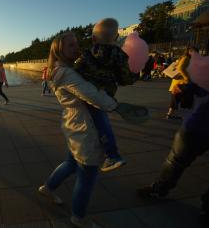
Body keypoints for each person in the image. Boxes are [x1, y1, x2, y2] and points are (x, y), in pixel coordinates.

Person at [37, 32, 120, 227]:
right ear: (60, 51)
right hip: (84, 127)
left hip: (74, 123)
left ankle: (48, 188)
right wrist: (117, 105)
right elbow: (92, 95)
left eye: (76, 44)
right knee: (87, 174)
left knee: (72, 162)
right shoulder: (67, 73)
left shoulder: (63, 70)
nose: (77, 48)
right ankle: (78, 218)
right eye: (71, 46)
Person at [137, 85, 209, 225]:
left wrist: (182, 89)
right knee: (175, 161)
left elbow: (190, 89)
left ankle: (160, 188)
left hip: (197, 126)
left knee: (175, 162)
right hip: (197, 126)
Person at [75, 18, 135, 172]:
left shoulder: (86, 54)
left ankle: (112, 155)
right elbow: (125, 79)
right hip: (107, 95)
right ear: (116, 38)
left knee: (98, 123)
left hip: (90, 94)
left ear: (93, 39)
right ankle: (107, 153)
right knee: (101, 121)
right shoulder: (120, 56)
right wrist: (134, 75)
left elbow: (76, 72)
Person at [166, 47, 198, 120]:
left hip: (179, 83)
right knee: (188, 98)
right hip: (182, 83)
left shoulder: (183, 58)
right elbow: (180, 68)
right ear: (189, 52)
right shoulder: (186, 58)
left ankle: (170, 114)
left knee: (176, 98)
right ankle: (190, 115)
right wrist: (187, 78)